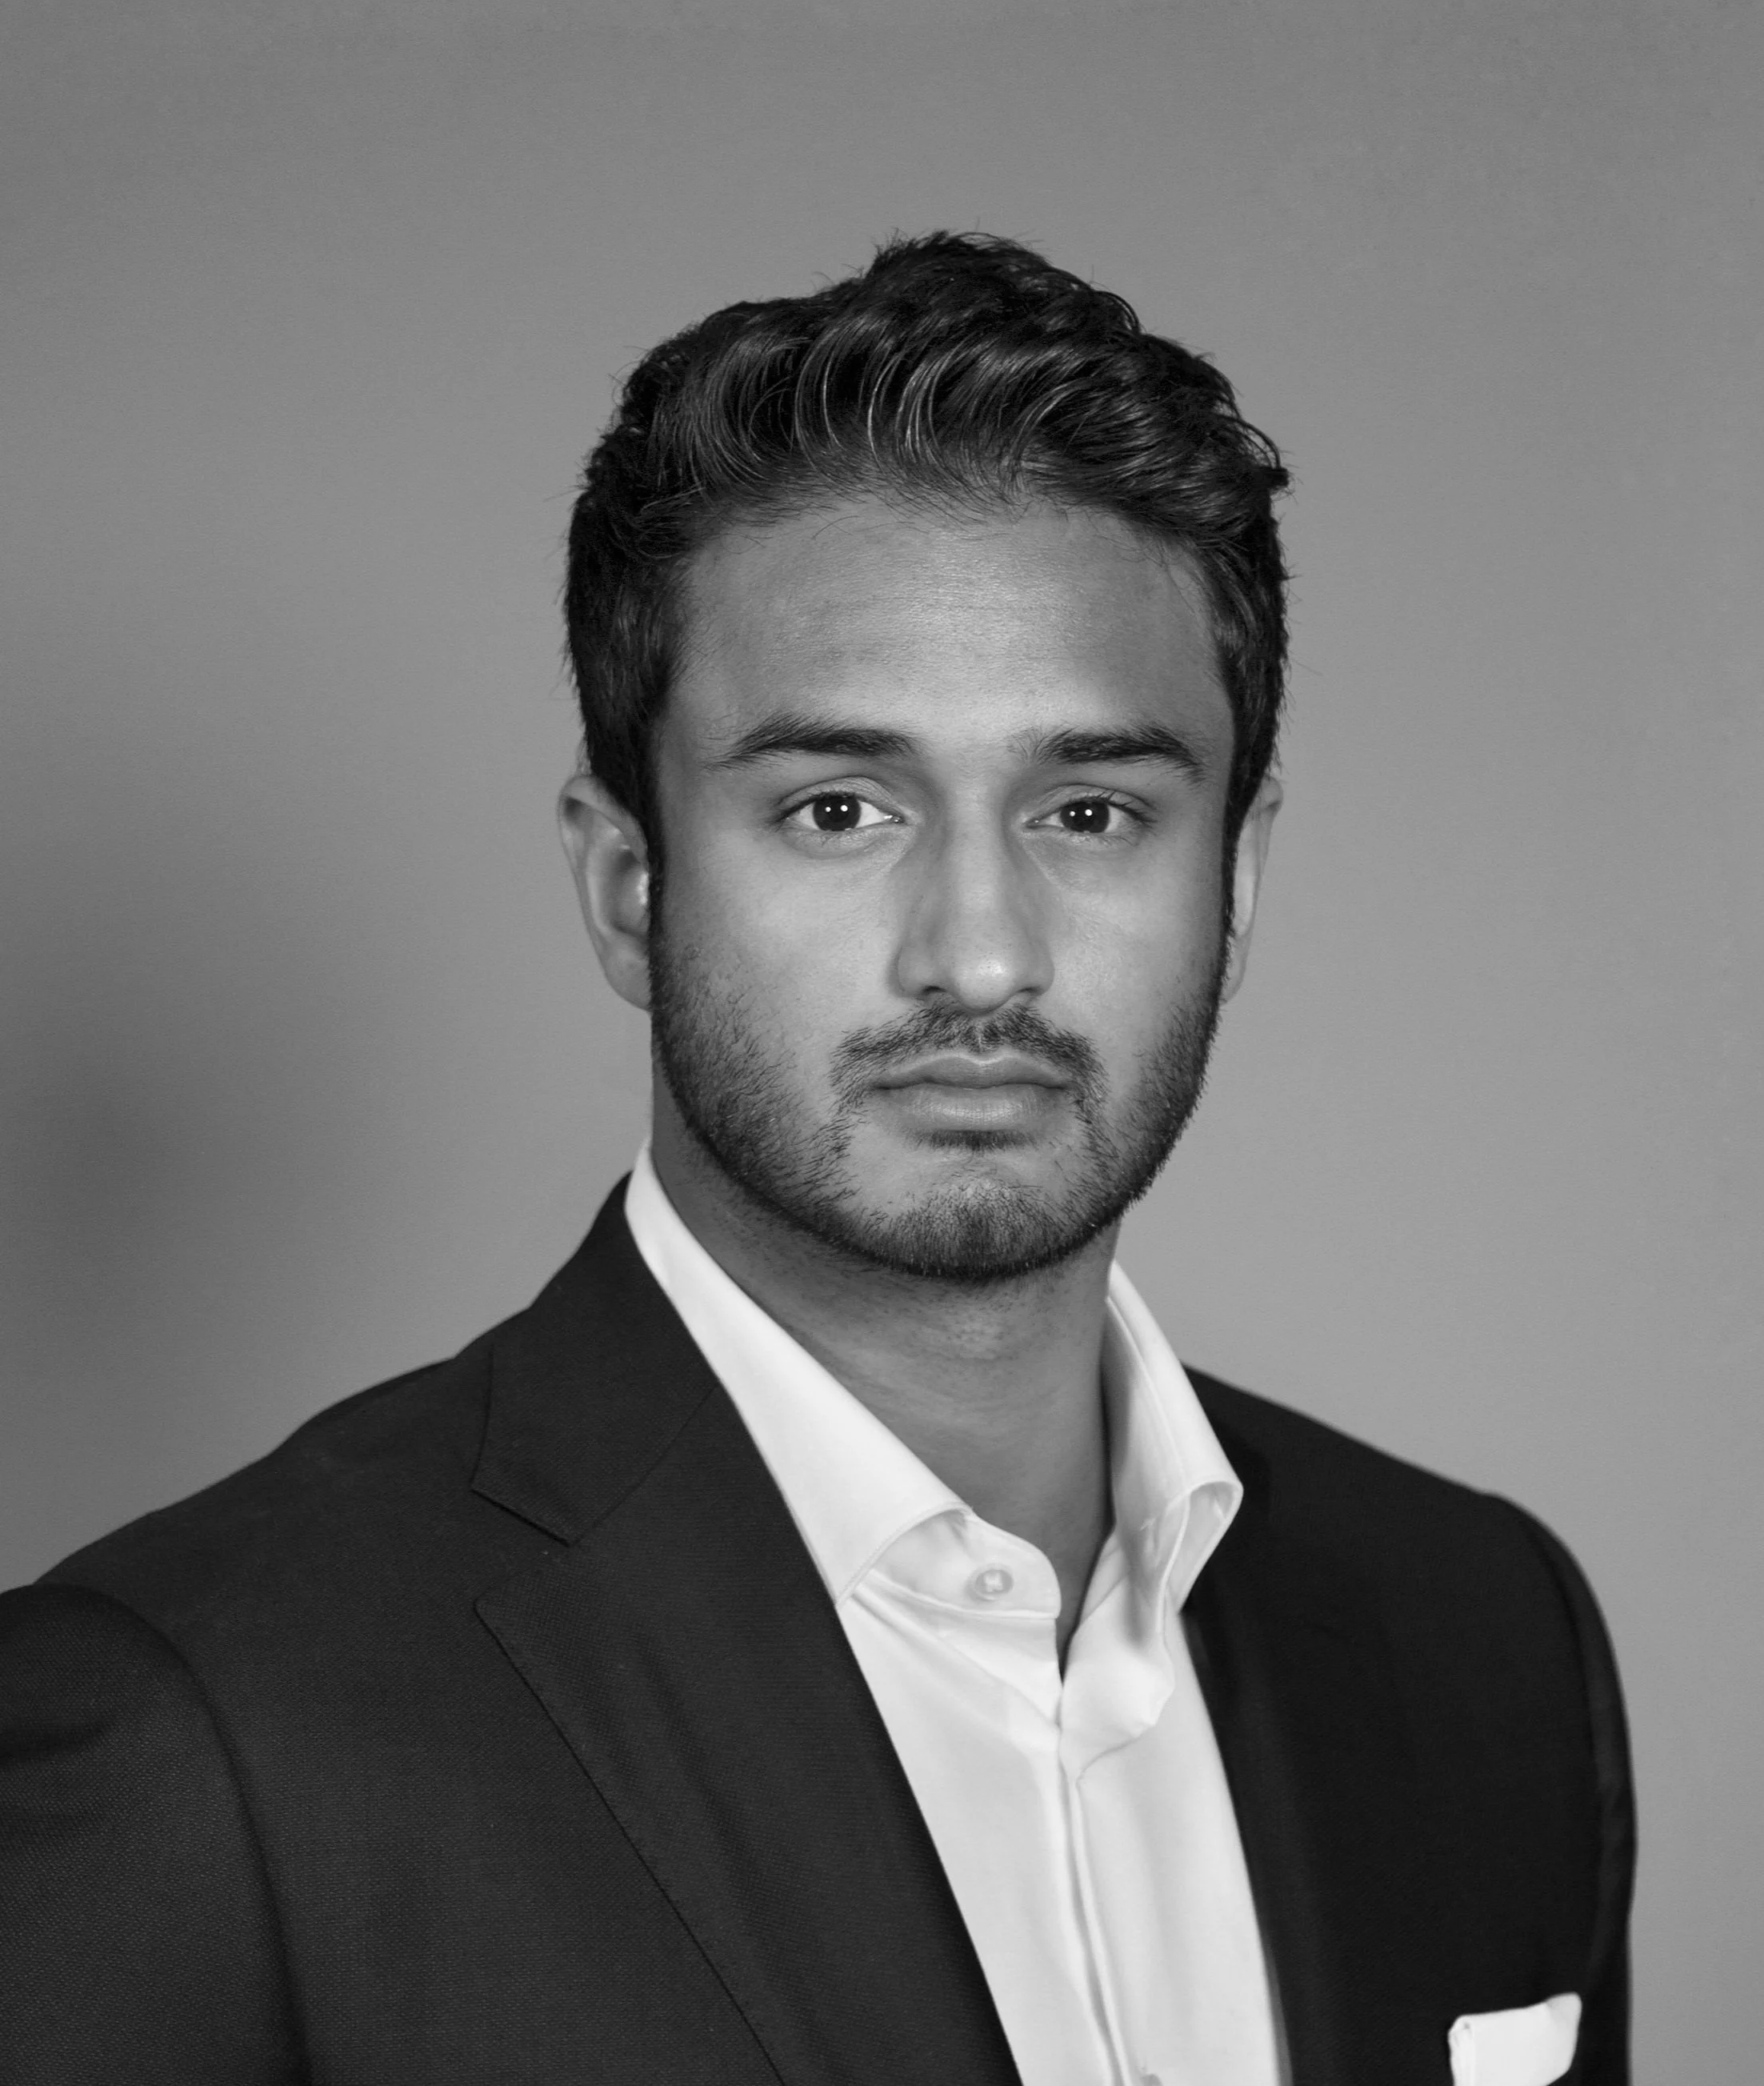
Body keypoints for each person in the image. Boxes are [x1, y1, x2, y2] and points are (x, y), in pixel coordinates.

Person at [0, 234, 1632, 2086]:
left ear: (1234, 882)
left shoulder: (1481, 1637)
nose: (981, 957)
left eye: (1092, 810)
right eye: (838, 808)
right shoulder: (189, 1738)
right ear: (629, 884)